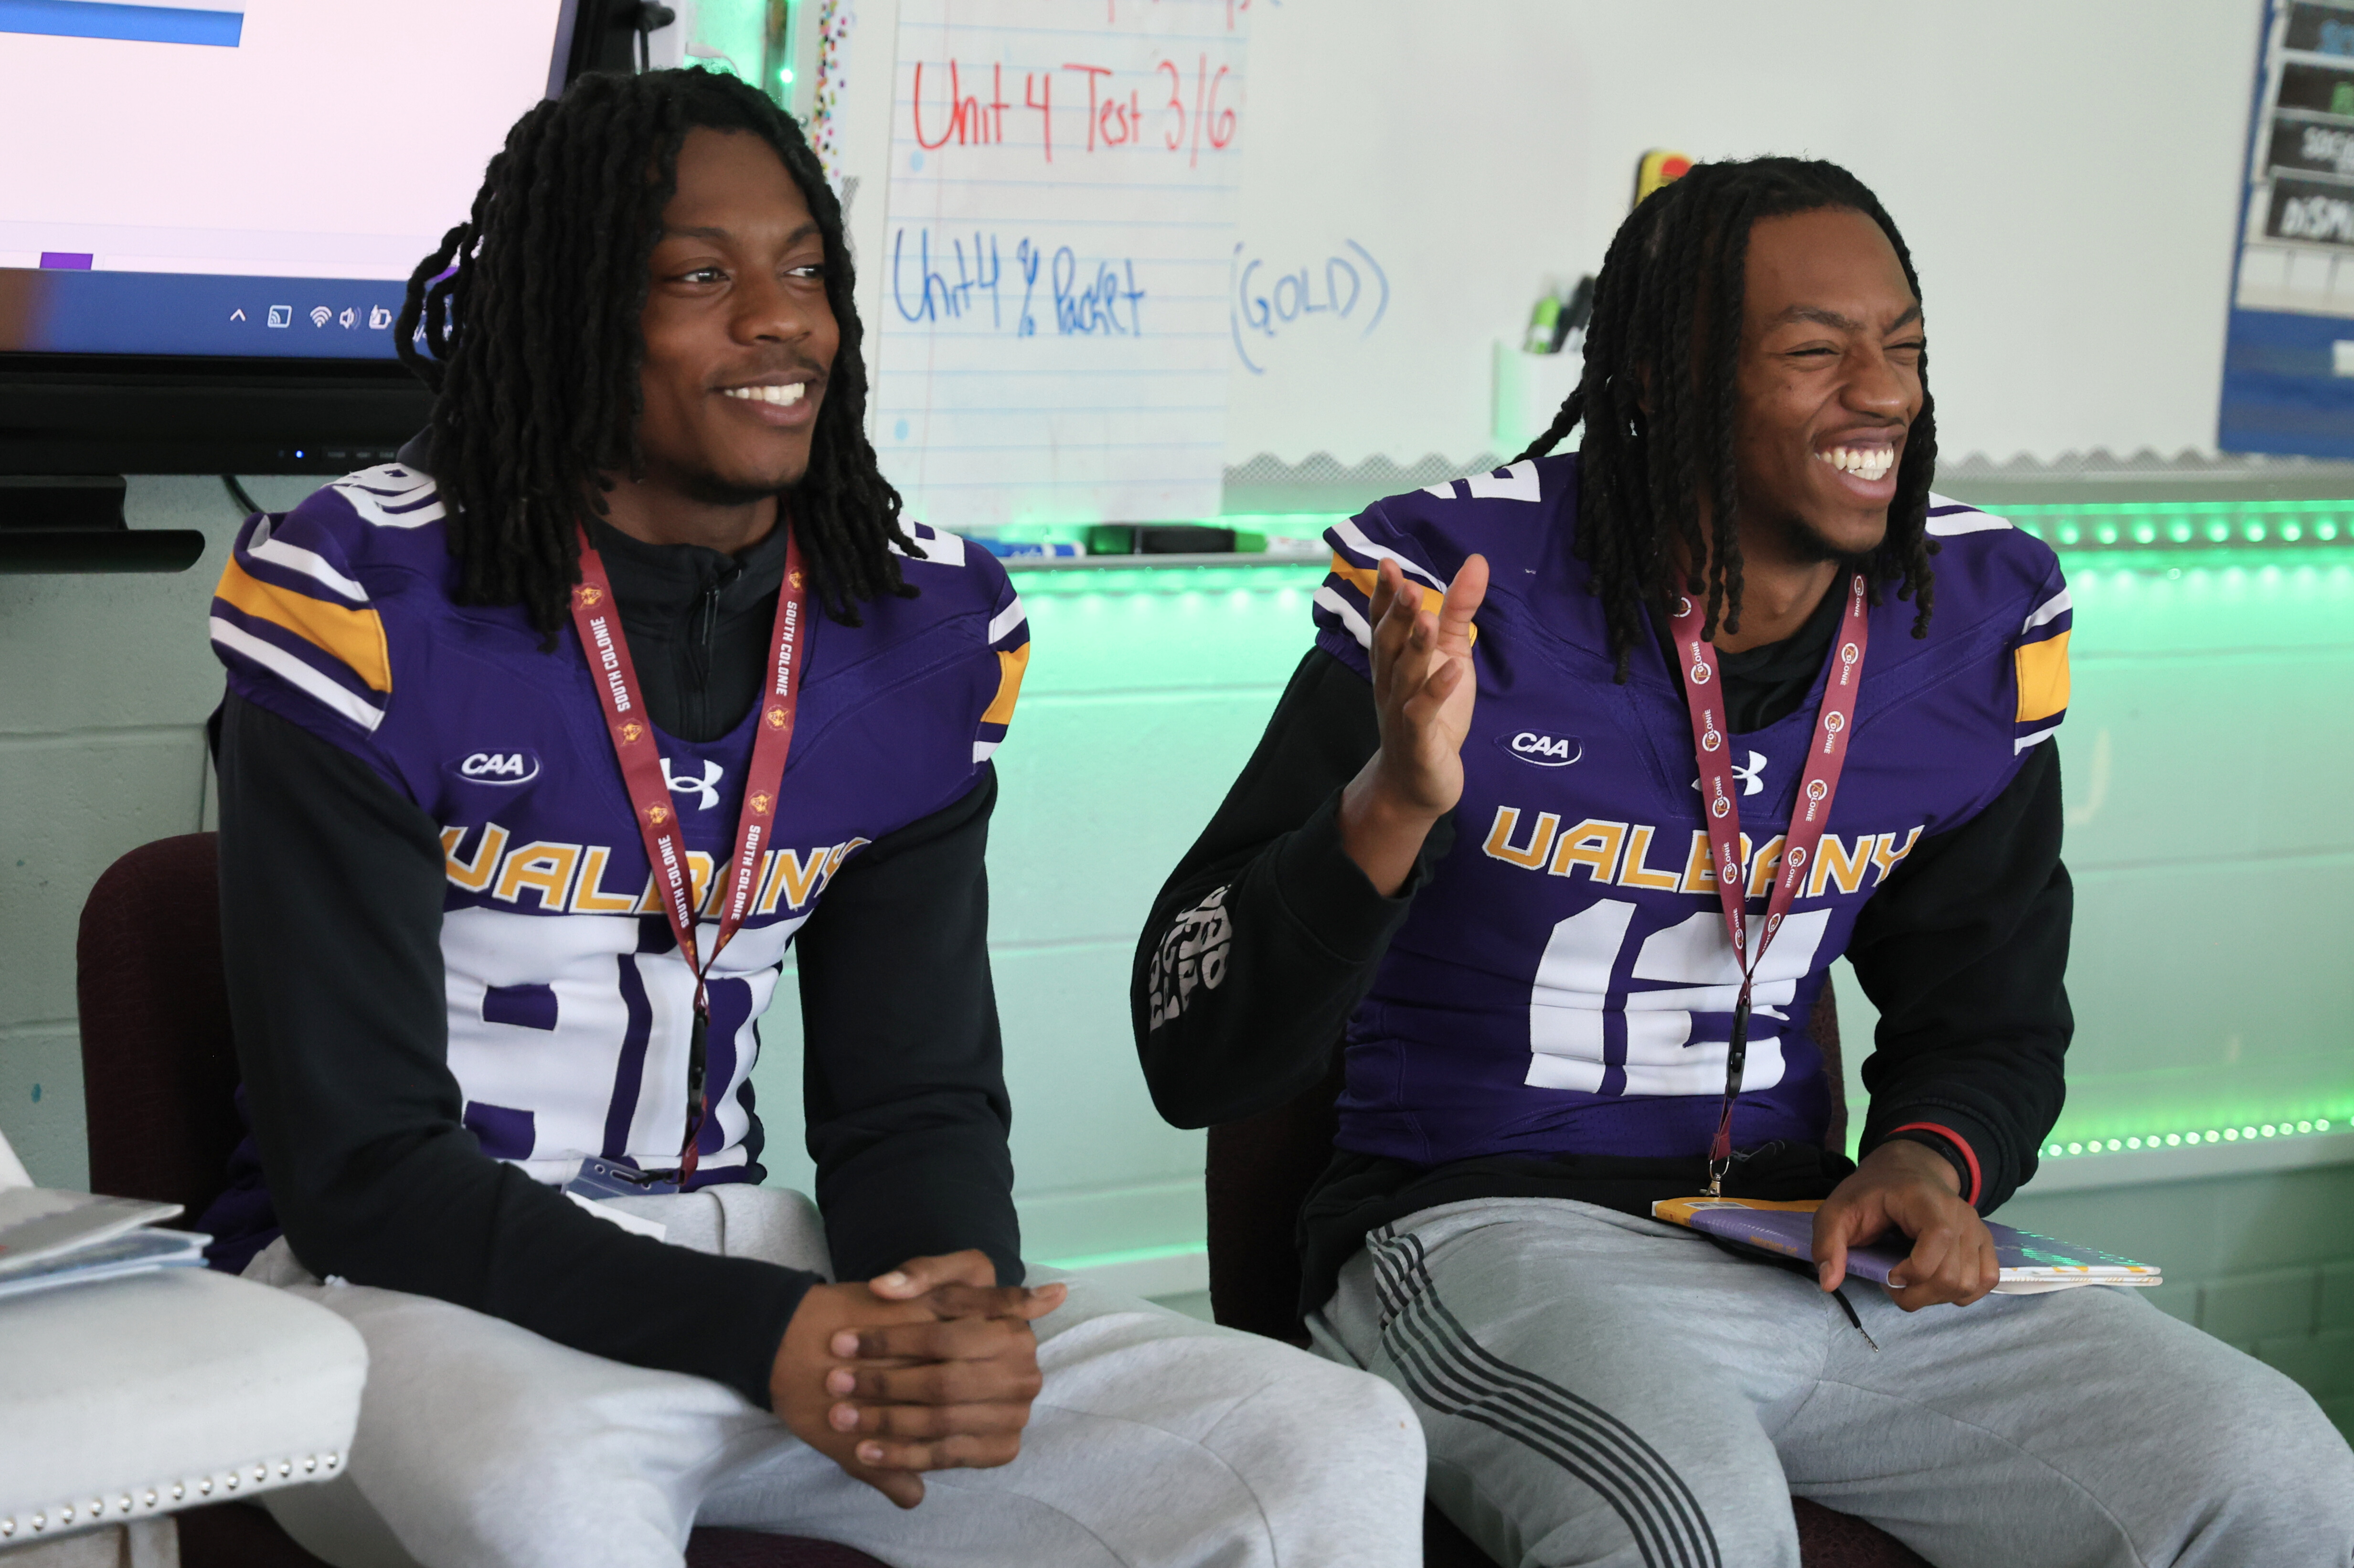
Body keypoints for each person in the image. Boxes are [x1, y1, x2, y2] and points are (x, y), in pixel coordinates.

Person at [202, 67, 1422, 1568]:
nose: (781, 319)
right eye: (700, 276)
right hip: (394, 1294)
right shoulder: (360, 594)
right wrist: (768, 1329)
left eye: (805, 271)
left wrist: (946, 1303)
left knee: (1324, 1440)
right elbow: (361, 1166)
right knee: (553, 1512)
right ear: (572, 309)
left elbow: (907, 1094)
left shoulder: (913, 619)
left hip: (747, 1246)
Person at [1132, 156, 2354, 1567]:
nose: (1882, 392)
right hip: (1476, 1229)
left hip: (1803, 1243)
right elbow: (1193, 1042)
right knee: (1686, 1525)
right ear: (1659, 376)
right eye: (1813, 350)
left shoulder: (1965, 624)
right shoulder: (1462, 602)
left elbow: (1989, 1013)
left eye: (1901, 347)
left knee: (2274, 1471)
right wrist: (1397, 795)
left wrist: (1924, 1156)